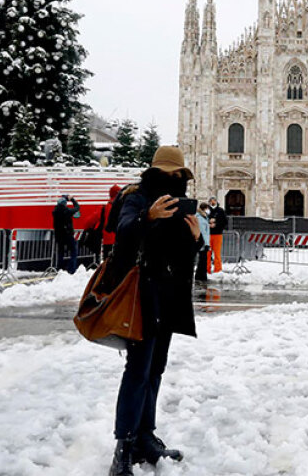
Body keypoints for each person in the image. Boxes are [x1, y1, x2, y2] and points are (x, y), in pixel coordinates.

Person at [108, 146, 203, 475]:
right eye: (169, 174)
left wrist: (195, 239)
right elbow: (122, 234)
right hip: (141, 294)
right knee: (137, 371)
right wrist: (147, 217)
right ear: (155, 173)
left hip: (167, 296)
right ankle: (125, 445)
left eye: (178, 175)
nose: (174, 179)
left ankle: (146, 436)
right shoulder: (136, 197)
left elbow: (179, 253)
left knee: (155, 369)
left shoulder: (177, 204)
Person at [80, 185, 122, 262]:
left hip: (108, 242)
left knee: (107, 265)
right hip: (122, 241)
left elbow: (87, 222)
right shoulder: (124, 208)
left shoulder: (103, 208)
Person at [52, 195, 80, 273]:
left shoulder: (55, 212)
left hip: (59, 235)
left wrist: (64, 197)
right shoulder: (67, 211)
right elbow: (77, 208)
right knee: (73, 251)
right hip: (68, 235)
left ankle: (60, 268)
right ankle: (72, 268)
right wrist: (72, 200)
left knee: (60, 252)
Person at [207, 196, 228, 273]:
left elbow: (225, 222)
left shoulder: (220, 211)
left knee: (217, 253)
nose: (212, 202)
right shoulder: (206, 211)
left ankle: (218, 270)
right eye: (211, 201)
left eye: (214, 201)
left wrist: (216, 224)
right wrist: (208, 224)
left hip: (217, 234)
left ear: (216, 201)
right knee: (207, 254)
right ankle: (207, 270)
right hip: (208, 235)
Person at [195, 201, 212, 286]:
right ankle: (201, 276)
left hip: (203, 242)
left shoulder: (203, 217)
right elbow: (203, 232)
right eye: (207, 208)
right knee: (203, 260)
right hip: (202, 242)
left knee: (202, 260)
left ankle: (200, 276)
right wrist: (206, 244)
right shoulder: (200, 218)